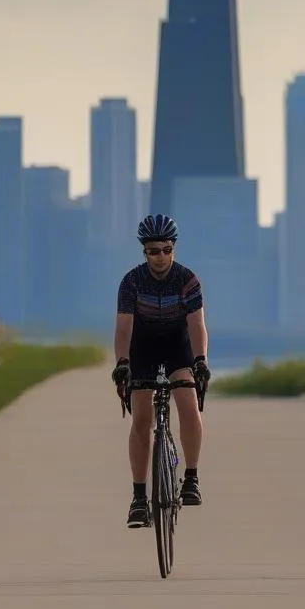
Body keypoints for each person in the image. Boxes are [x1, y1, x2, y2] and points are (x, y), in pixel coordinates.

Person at [112, 213, 211, 529]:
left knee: (189, 407)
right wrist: (122, 365)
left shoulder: (187, 280)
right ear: (144, 252)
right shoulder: (131, 282)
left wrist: (200, 360)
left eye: (167, 249)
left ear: (174, 248)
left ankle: (191, 478)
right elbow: (123, 329)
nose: (161, 257)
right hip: (143, 348)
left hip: (176, 348)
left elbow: (197, 325)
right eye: (154, 251)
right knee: (142, 418)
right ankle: (139, 499)